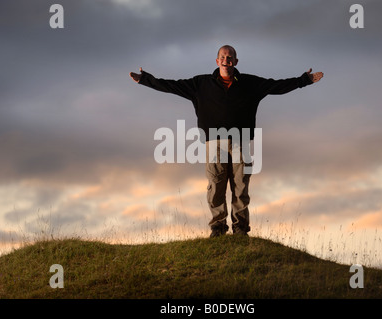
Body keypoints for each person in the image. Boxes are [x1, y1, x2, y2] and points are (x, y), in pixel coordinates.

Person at [130, 45, 323, 238]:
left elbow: (277, 86)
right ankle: (218, 227)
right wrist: (145, 80)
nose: (226, 60)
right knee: (216, 185)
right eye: (223, 56)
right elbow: (171, 85)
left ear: (236, 62)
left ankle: (240, 228)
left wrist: (304, 80)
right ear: (217, 61)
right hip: (214, 142)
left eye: (230, 57)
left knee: (240, 185)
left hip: (241, 141)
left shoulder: (250, 83)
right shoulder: (201, 84)